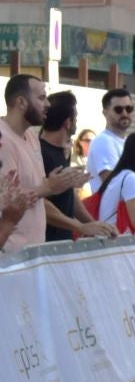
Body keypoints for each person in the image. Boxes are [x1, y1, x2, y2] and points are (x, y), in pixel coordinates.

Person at [2, 76, 89, 253]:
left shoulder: (33, 137)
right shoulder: (3, 141)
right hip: (10, 257)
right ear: (21, 102)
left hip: (35, 253)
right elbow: (8, 202)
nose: (48, 104)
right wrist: (50, 187)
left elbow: (38, 198)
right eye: (41, 98)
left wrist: (81, 225)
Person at [38, 90, 115, 242]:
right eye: (76, 118)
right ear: (68, 122)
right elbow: (39, 203)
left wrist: (93, 224)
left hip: (61, 241)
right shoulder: (41, 152)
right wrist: (79, 226)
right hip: (44, 244)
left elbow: (69, 196)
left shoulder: (61, 152)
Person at [85, 88, 134, 190]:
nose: (124, 113)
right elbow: (113, 182)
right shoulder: (104, 141)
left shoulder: (125, 142)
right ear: (105, 113)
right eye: (118, 109)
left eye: (129, 109)